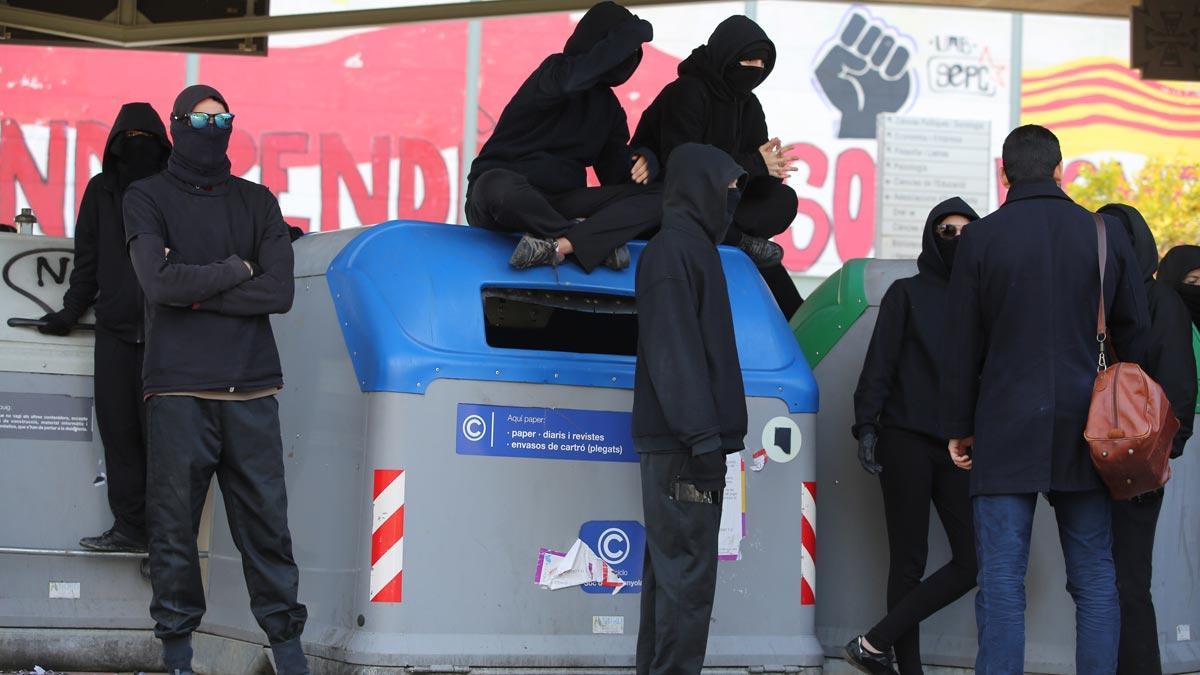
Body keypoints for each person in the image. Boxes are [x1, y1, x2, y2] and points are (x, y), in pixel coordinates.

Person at [940, 125, 1149, 674]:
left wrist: (961, 424)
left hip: (1005, 425)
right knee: (1095, 577)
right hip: (1091, 429)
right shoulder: (1104, 234)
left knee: (1003, 581)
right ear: (1061, 170)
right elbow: (1136, 330)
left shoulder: (981, 239)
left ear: (1004, 172)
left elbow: (961, 343)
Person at [123, 84, 308, 675]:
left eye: (223, 118)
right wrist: (235, 269)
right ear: (177, 125)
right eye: (201, 119)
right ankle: (178, 658)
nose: (214, 128)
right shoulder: (145, 196)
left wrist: (196, 288)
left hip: (253, 389)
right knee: (173, 533)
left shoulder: (258, 201)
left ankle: (288, 654)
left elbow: (278, 293)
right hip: (178, 389)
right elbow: (159, 284)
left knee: (268, 532)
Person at [846, 198, 981, 675]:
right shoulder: (906, 293)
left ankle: (874, 642)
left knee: (973, 560)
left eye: (968, 231)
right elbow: (878, 364)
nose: (958, 239)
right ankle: (909, 669)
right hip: (903, 438)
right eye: (947, 230)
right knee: (908, 561)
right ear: (931, 236)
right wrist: (866, 426)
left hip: (961, 446)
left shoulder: (985, 300)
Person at [632, 143, 747, 675]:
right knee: (687, 586)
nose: (732, 201)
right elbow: (672, 350)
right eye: (726, 190)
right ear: (699, 187)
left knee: (672, 580)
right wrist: (703, 438)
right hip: (685, 447)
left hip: (688, 443)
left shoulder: (690, 250)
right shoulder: (673, 253)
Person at [37, 103, 171, 554]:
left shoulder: (175, 191)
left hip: (167, 335)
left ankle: (167, 544)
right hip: (114, 333)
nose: (137, 144)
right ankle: (131, 529)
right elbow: (87, 263)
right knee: (119, 435)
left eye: (145, 136)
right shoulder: (100, 192)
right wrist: (68, 313)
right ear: (116, 143)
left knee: (166, 443)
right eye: (129, 136)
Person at [465, 1, 661, 273]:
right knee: (496, 185)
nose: (632, 56)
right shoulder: (555, 71)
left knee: (663, 196)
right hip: (505, 197)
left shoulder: (610, 109)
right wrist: (634, 32)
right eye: (626, 47)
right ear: (604, 44)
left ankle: (563, 241)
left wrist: (644, 161)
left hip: (561, 202)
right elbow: (574, 80)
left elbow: (614, 174)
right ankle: (585, 239)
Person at [631, 15, 802, 318]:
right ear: (727, 55)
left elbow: (751, 171)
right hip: (676, 198)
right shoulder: (687, 92)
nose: (756, 70)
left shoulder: (748, 105)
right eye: (748, 61)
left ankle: (734, 237)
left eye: (762, 64)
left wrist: (768, 171)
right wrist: (753, 164)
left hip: (725, 203)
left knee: (782, 200)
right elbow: (682, 166)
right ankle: (737, 240)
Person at [1100, 215, 1197, 675]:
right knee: (1098, 582)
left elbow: (1179, 387)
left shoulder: (1159, 301)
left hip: (1137, 468)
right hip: (1088, 463)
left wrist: (1158, 457)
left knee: (1128, 582)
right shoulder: (1087, 297)